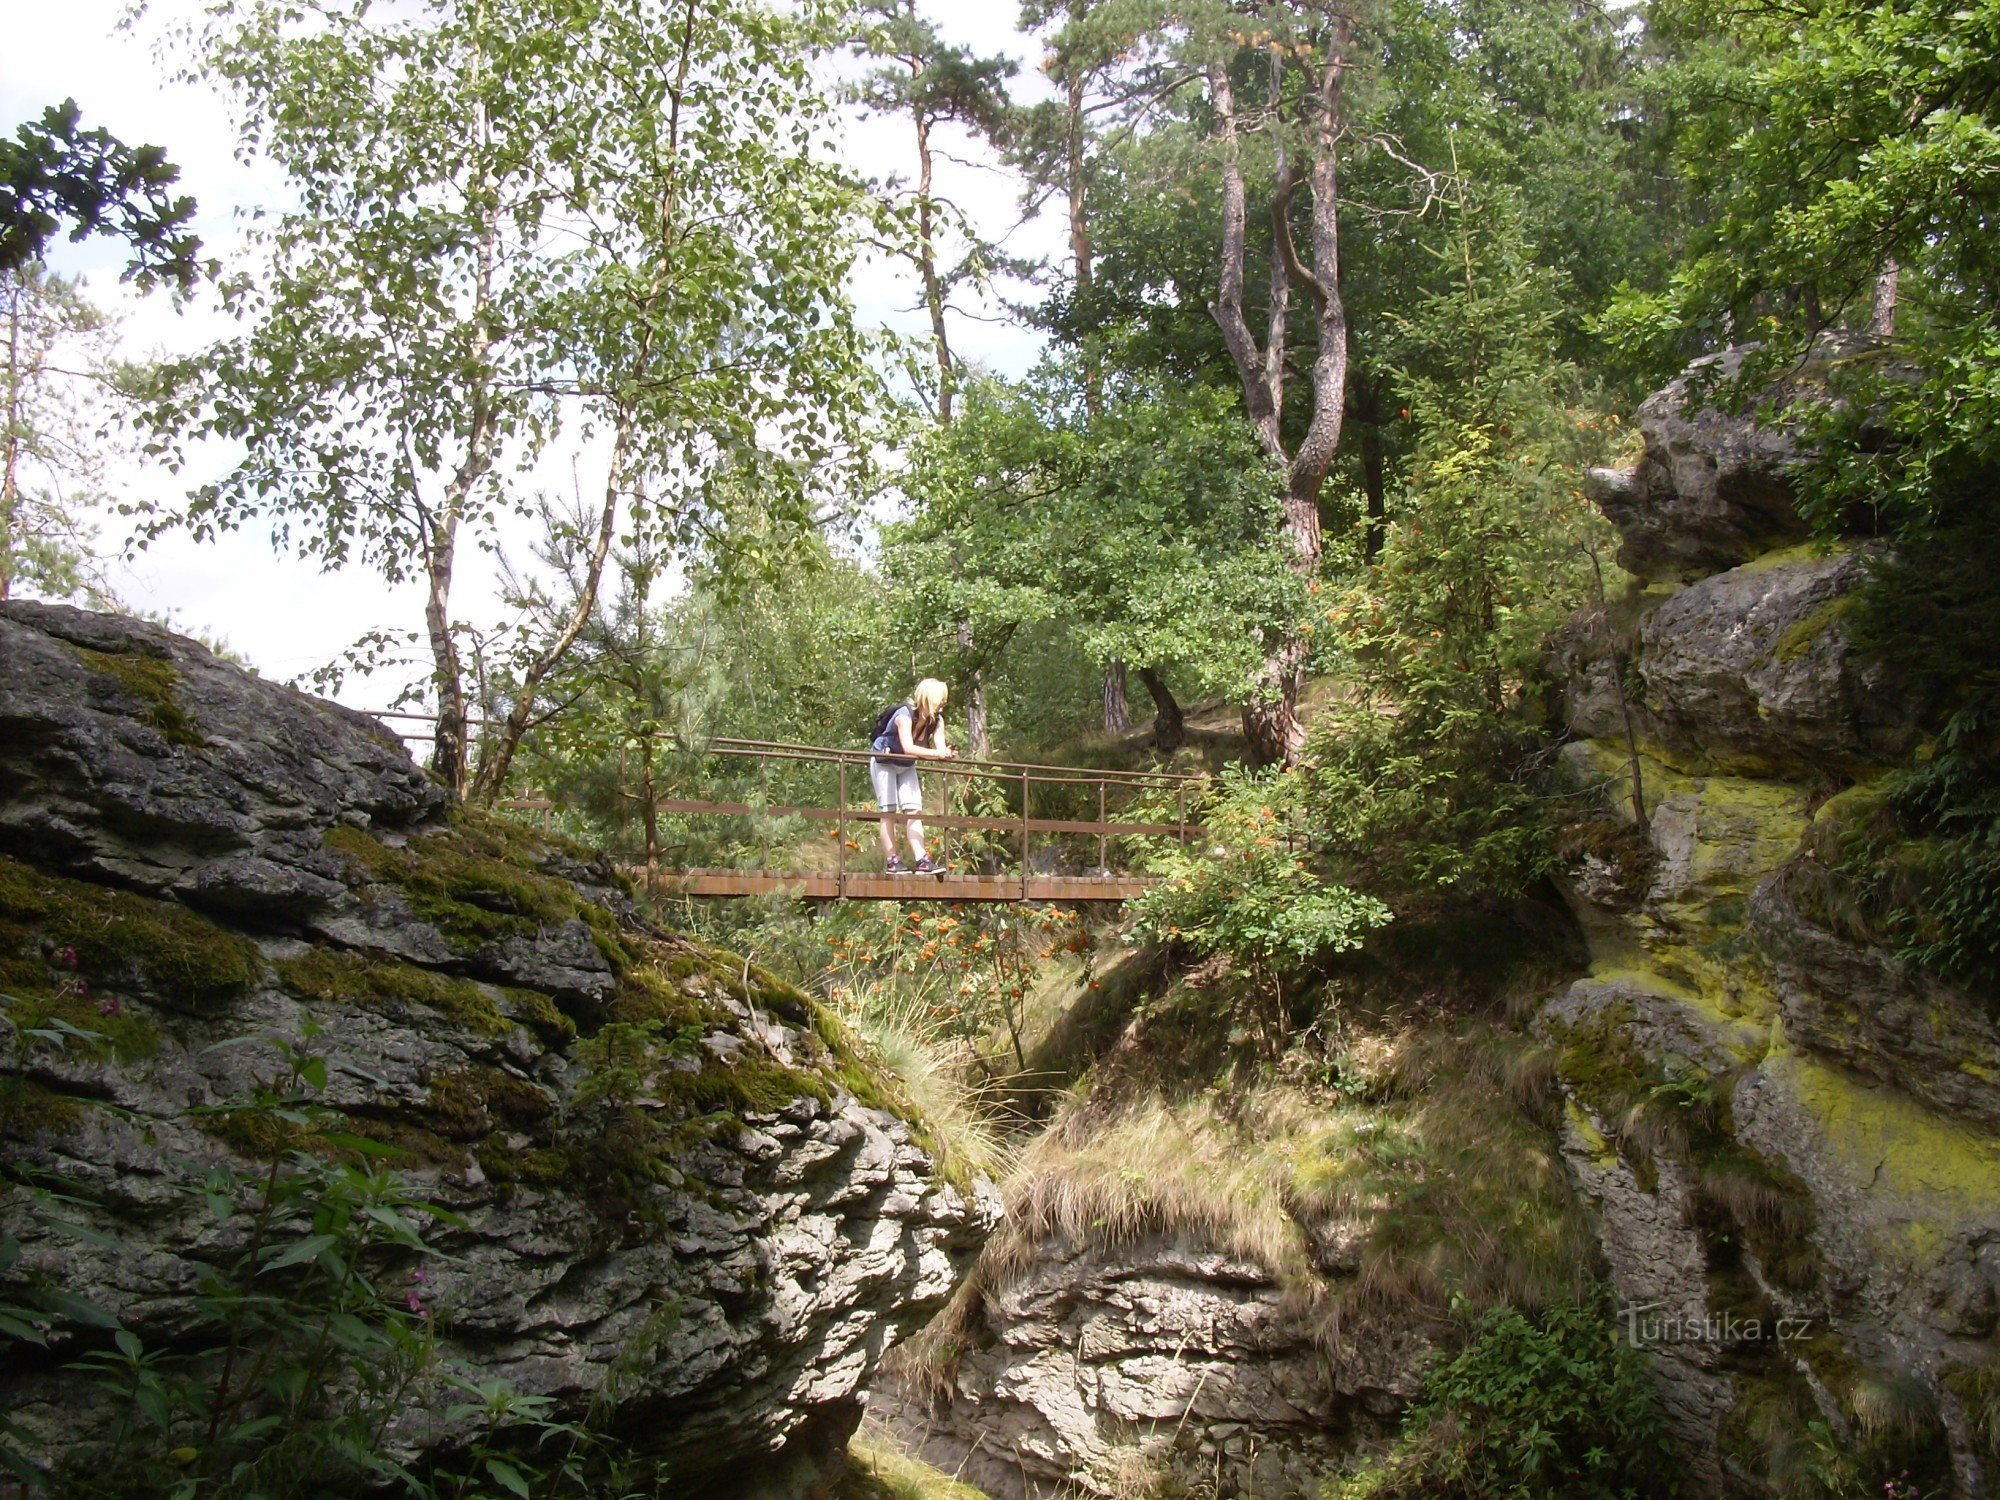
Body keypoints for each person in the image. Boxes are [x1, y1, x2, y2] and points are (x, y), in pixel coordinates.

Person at [869, 678, 956, 873]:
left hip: (906, 765)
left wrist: (946, 753)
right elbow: (908, 747)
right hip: (885, 762)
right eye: (941, 698)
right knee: (888, 811)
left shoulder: (937, 721)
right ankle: (893, 860)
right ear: (929, 698)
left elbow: (939, 747)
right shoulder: (904, 716)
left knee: (914, 810)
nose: (944, 702)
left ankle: (921, 858)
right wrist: (937, 754)